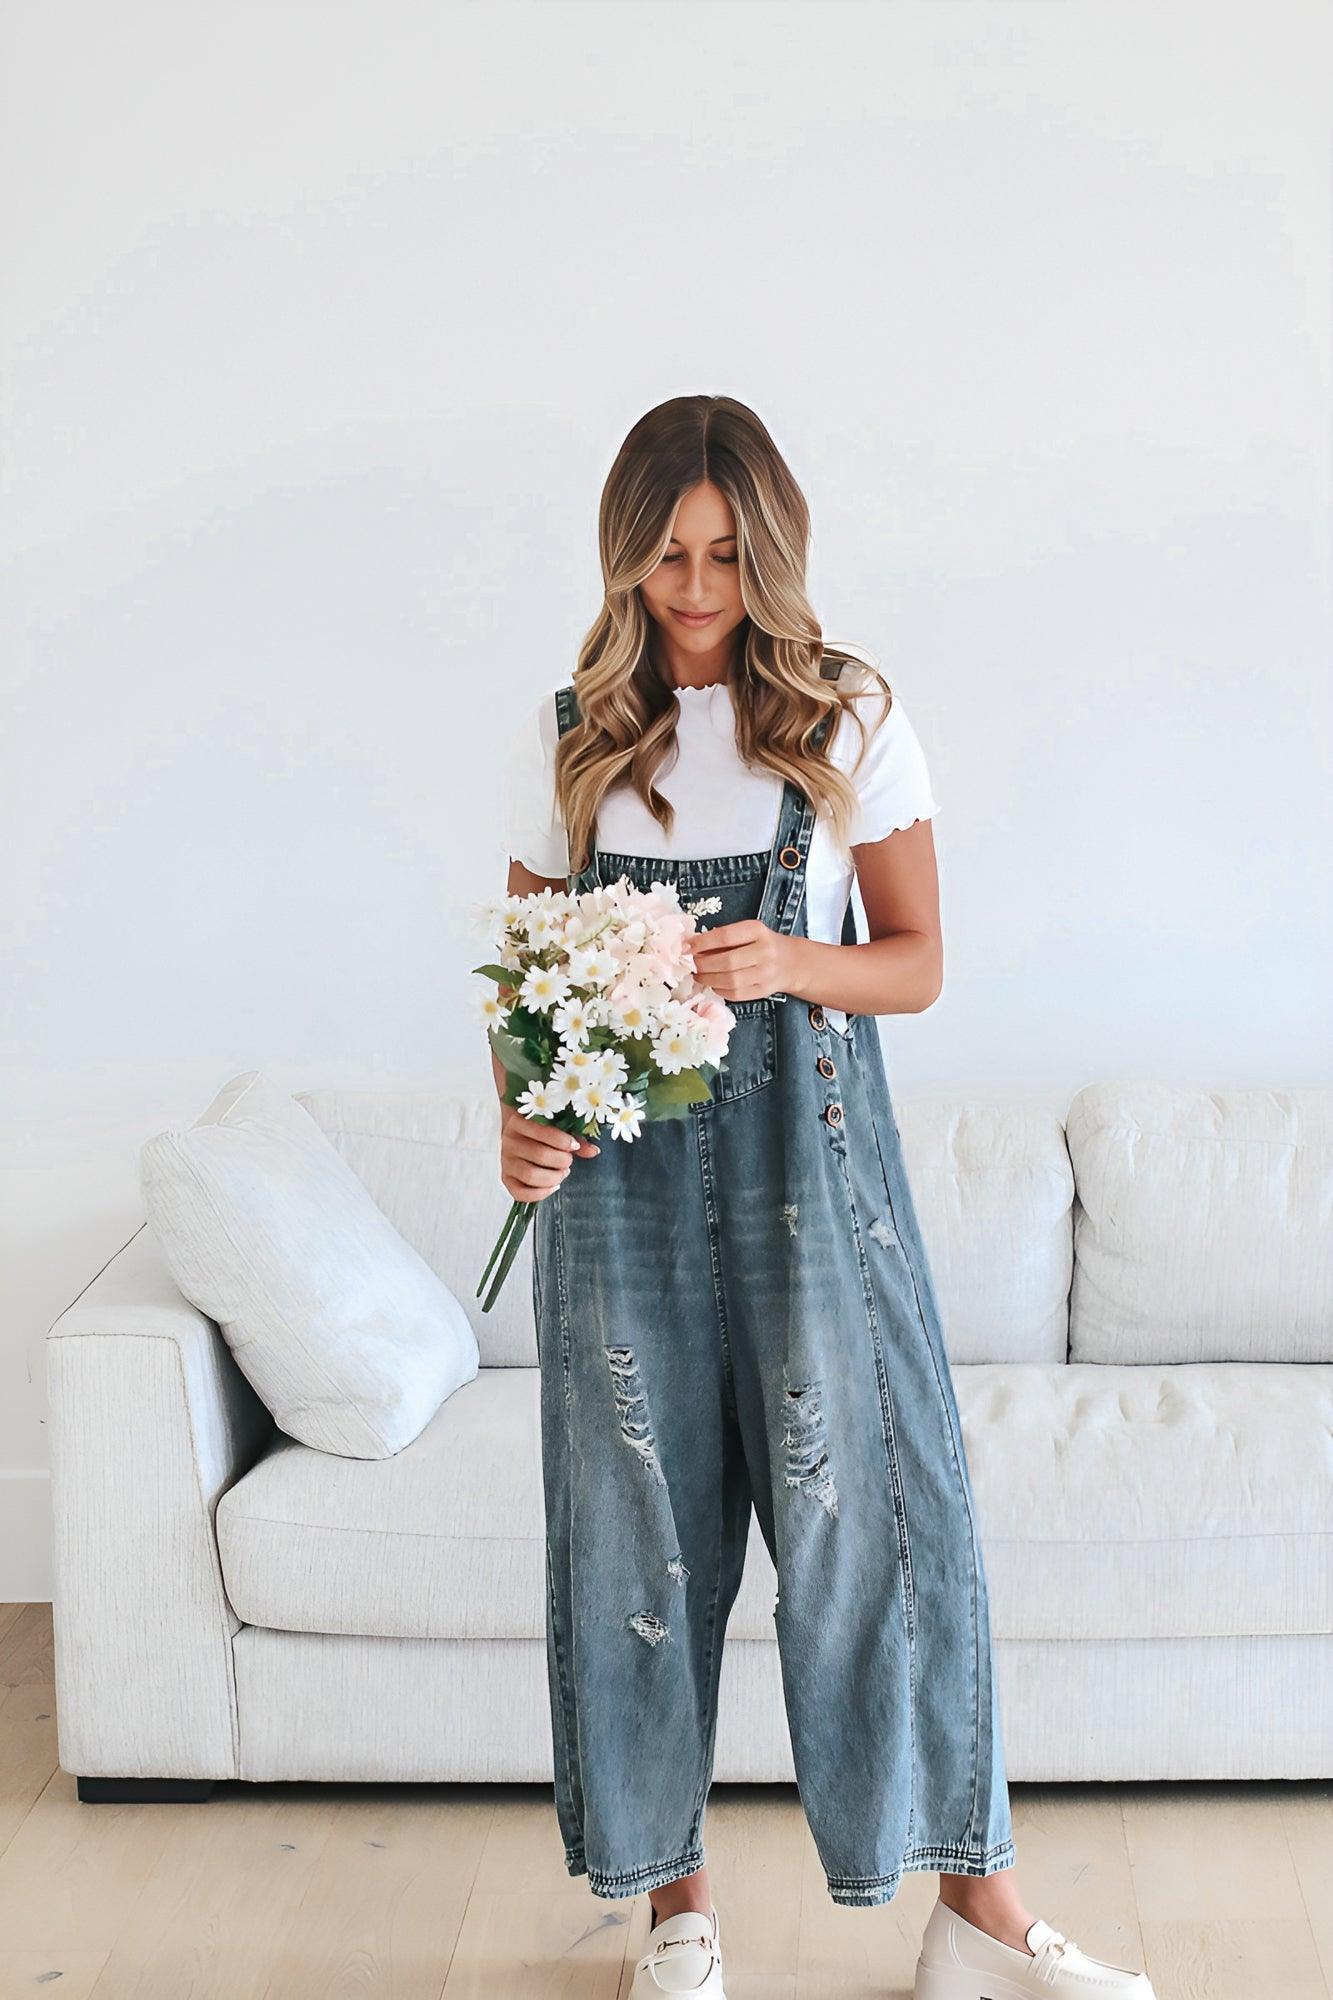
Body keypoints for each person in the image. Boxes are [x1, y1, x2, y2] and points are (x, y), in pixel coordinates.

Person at [495, 395, 1156, 2000]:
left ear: (771, 552)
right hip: (620, 1204)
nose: (695, 590)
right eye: (667, 556)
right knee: (639, 1549)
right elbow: (524, 986)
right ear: (623, 554)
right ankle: (676, 1919)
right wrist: (517, 1124)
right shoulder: (575, 730)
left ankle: (978, 1915)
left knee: (885, 1530)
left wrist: (791, 961)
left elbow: (915, 963)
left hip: (816, 1188)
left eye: (726, 556)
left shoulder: (848, 715)